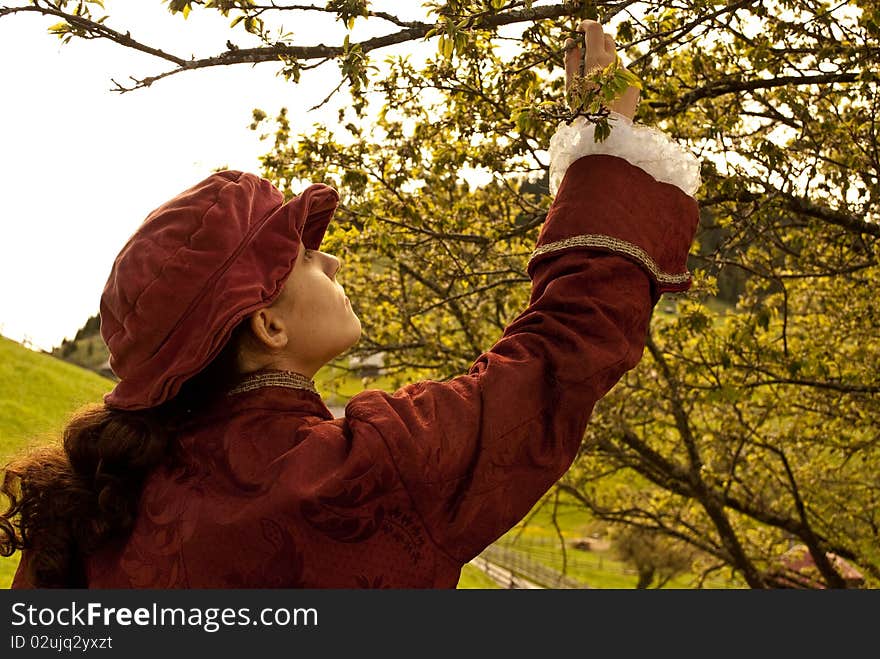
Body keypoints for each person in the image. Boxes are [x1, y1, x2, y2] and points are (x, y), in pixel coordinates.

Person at [2, 20, 701, 588]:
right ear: (266, 322)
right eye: (304, 256)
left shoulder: (89, 516)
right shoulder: (362, 472)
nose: (330, 258)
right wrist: (604, 143)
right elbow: (560, 355)